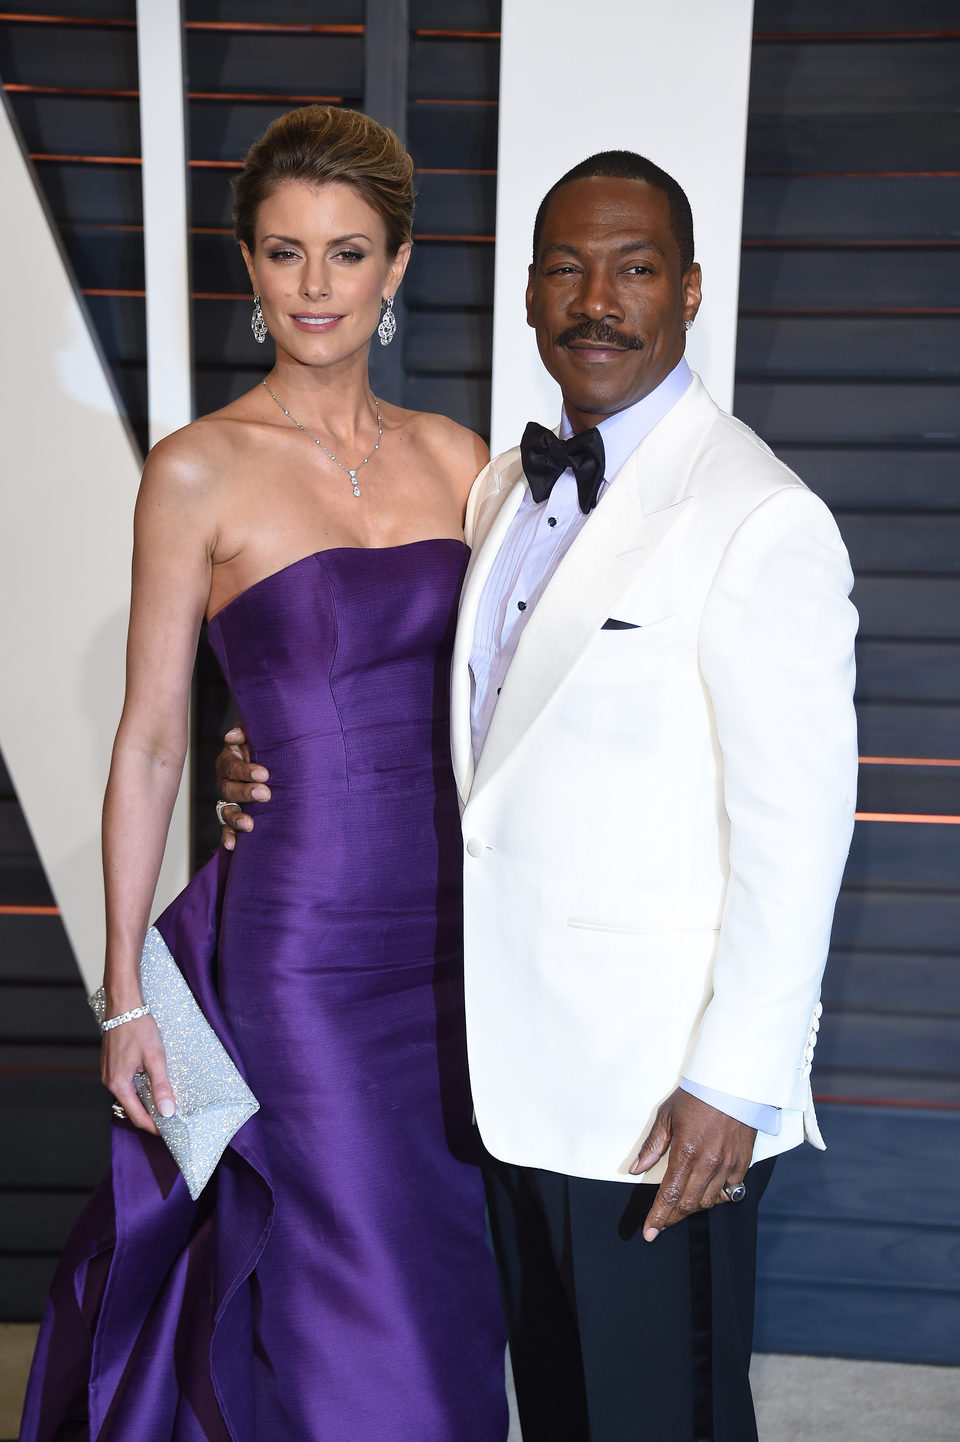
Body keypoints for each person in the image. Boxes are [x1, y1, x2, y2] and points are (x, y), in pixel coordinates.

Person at [219, 151, 858, 1442]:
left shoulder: (754, 515)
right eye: (566, 266)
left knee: (661, 1417)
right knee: (561, 1412)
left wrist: (734, 1085)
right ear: (526, 295)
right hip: (507, 1071)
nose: (597, 299)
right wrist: (262, 740)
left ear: (687, 290)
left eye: (632, 268)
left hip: (655, 1094)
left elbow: (800, 831)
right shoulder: (505, 489)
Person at [20, 105, 507, 1442]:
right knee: (361, 1293)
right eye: (285, 253)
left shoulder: (463, 462)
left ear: (396, 267)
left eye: (346, 255)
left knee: (451, 1283)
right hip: (302, 954)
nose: (314, 287)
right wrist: (125, 995)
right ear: (247, 265)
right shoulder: (197, 470)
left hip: (457, 953)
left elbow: (510, 706)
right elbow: (156, 737)